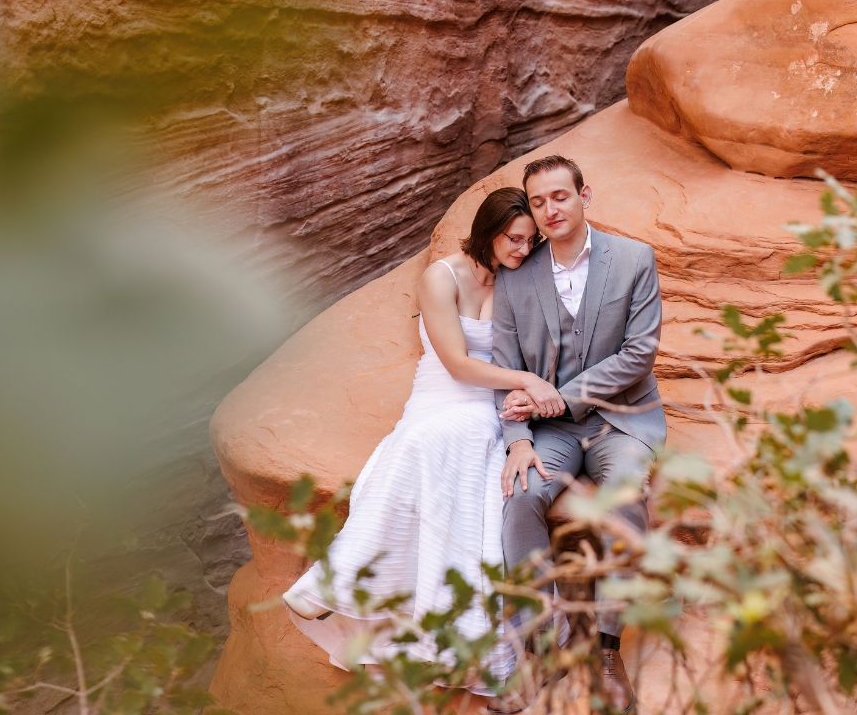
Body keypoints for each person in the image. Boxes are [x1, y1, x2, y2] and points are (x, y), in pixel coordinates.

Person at [280, 188, 565, 694]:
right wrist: (528, 381)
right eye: (515, 240)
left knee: (467, 448)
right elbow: (456, 363)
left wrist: (529, 385)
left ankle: (432, 618)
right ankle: (336, 585)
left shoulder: (517, 280)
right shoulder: (442, 276)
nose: (524, 250)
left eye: (530, 241)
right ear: (490, 232)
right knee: (425, 442)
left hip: (485, 405)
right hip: (442, 393)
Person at [491, 155, 666, 714]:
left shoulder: (635, 259)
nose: (550, 210)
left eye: (560, 197)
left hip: (624, 417)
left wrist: (564, 396)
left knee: (626, 503)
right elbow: (504, 365)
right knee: (520, 499)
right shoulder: (516, 277)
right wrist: (518, 440)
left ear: (584, 196)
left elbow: (640, 353)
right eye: (538, 202)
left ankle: (607, 652)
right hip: (550, 431)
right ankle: (541, 649)